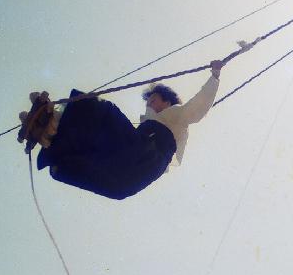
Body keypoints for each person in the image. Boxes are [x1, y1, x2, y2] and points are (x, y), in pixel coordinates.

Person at [27, 60, 223, 199]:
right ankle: (50, 135)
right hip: (128, 180)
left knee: (106, 114)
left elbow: (197, 107)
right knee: (95, 158)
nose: (150, 105)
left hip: (145, 156)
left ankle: (56, 122)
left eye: (153, 100)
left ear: (167, 101)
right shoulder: (148, 125)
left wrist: (214, 76)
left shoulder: (176, 115)